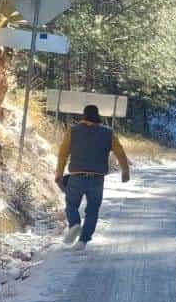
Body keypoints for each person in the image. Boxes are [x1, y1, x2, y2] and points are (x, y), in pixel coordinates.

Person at [54, 105, 130, 250]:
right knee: (93, 209)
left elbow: (63, 154)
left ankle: (75, 224)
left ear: (84, 115)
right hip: (97, 178)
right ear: (98, 116)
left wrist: (59, 173)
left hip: (76, 176)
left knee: (71, 204)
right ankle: (83, 240)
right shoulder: (108, 133)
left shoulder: (73, 131)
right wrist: (125, 171)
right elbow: (120, 152)